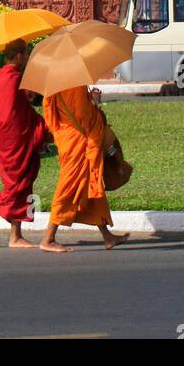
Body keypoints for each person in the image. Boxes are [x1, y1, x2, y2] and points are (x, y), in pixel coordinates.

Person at [0, 41, 51, 249]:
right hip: (16, 138)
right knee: (16, 185)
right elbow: (22, 106)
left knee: (23, 184)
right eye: (26, 54)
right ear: (18, 56)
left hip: (4, 138)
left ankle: (15, 236)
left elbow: (1, 108)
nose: (27, 58)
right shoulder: (14, 79)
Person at [40, 85, 129, 253]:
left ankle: (107, 237)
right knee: (68, 189)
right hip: (78, 142)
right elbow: (84, 115)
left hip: (67, 138)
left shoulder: (51, 87)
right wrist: (94, 103)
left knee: (92, 187)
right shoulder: (74, 85)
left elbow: (51, 115)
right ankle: (48, 238)